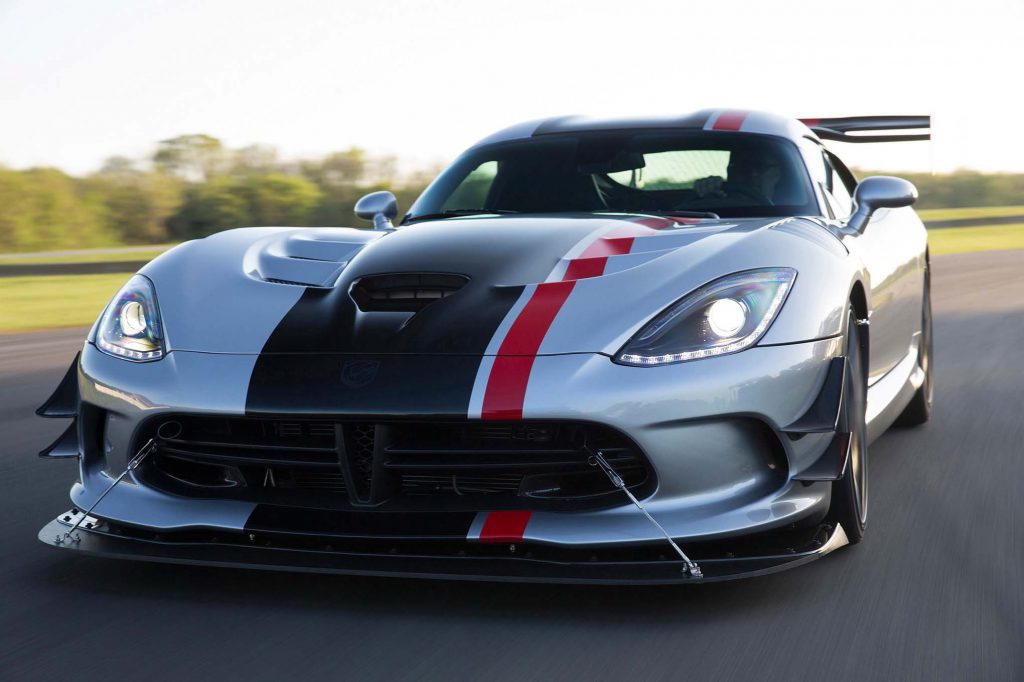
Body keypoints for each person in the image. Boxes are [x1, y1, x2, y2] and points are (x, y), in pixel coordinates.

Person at [693, 148, 782, 203]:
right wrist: (706, 193)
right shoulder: (719, 198)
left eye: (761, 167)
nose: (752, 174)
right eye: (744, 166)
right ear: (730, 171)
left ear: (778, 173)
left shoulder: (790, 212)